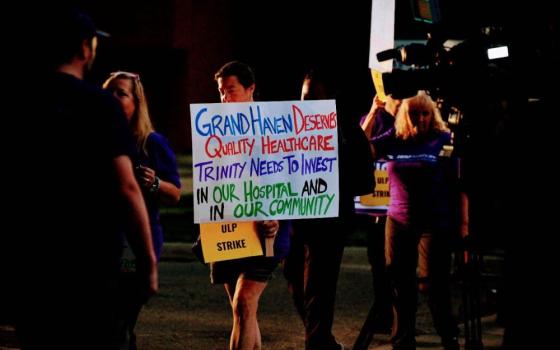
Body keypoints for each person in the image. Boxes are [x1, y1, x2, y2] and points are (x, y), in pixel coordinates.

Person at [6, 8, 157, 349]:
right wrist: (148, 264)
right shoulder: (99, 105)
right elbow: (126, 186)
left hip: (30, 265)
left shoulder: (18, 102)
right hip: (90, 267)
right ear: (84, 50)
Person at [283, 68, 375, 350]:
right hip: (298, 222)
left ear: (330, 97)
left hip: (330, 225)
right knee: (295, 281)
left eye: (312, 97)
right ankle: (321, 338)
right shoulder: (290, 127)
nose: (305, 103)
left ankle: (317, 342)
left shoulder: (347, 130)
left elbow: (365, 182)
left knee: (319, 290)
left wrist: (334, 177)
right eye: (302, 97)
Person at [371, 91, 461, 350]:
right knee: (398, 283)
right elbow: (365, 150)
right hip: (398, 220)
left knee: (432, 284)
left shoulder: (443, 139)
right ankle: (402, 341)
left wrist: (461, 224)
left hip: (433, 224)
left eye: (425, 113)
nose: (420, 118)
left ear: (432, 115)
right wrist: (373, 113)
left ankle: (448, 335)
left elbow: (457, 183)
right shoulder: (395, 138)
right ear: (404, 115)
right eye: (414, 113)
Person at [211, 60, 290, 350]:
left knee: (244, 302)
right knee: (242, 309)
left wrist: (278, 217)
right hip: (229, 228)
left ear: (251, 89)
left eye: (230, 90)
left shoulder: (274, 127)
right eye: (221, 91)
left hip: (267, 230)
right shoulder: (214, 129)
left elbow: (292, 176)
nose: (224, 98)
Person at [103, 71, 181, 349]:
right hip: (99, 242)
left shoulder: (151, 143)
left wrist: (156, 183)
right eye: (109, 91)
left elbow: (175, 194)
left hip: (133, 246)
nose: (112, 98)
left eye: (121, 93)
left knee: (120, 318)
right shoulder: (97, 137)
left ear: (137, 102)